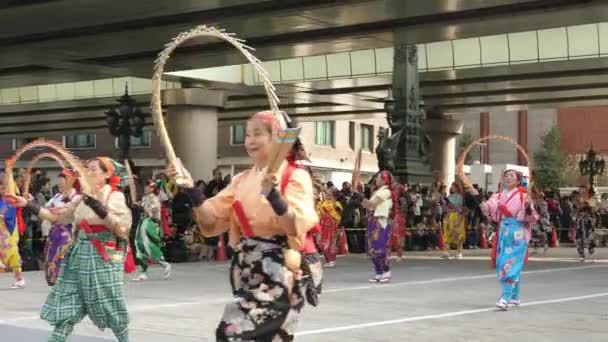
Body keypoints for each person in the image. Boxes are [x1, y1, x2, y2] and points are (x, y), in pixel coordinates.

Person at [171, 110, 319, 341]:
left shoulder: (295, 176)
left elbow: (295, 225)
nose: (249, 140)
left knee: (231, 332)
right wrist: (191, 189)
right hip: (248, 266)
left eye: (257, 134)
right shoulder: (241, 180)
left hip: (280, 270)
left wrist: (275, 198)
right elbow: (211, 219)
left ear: (277, 138)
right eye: (247, 134)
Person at [7, 157, 132, 341]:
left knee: (108, 301)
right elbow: (56, 218)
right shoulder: (81, 199)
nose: (87, 173)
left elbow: (122, 228)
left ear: (107, 174)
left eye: (93, 169)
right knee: (68, 299)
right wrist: (29, 205)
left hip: (102, 256)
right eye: (86, 169)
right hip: (78, 255)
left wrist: (99, 208)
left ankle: (125, 339)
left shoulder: (114, 196)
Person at [481, 170, 537, 310]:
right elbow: (489, 209)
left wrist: (528, 206)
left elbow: (531, 216)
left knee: (510, 263)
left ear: (519, 180)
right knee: (503, 262)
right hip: (504, 231)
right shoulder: (498, 195)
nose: (508, 177)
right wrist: (481, 202)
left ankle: (505, 297)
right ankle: (515, 297)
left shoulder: (523, 195)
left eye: (512, 175)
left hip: (519, 232)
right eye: (506, 175)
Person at [42, 169, 80, 286]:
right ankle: (55, 283)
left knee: (62, 259)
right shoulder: (57, 196)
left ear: (70, 181)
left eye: (61, 181)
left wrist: (57, 211)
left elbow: (67, 212)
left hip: (68, 233)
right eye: (58, 181)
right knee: (51, 258)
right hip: (54, 232)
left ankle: (63, 283)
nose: (59, 183)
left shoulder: (76, 197)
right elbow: (47, 209)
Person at [360, 171, 397, 283]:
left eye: (378, 178)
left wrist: (359, 197)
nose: (376, 179)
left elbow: (371, 204)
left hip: (381, 221)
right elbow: (367, 205)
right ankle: (379, 272)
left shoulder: (386, 191)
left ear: (384, 180)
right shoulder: (378, 192)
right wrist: (358, 197)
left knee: (379, 248)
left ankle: (386, 271)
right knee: (372, 248)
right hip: (373, 220)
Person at [133, 179, 171, 281]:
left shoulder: (154, 199)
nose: (146, 188)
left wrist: (139, 206)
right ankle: (143, 272)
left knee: (148, 245)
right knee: (139, 244)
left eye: (149, 186)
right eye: (146, 186)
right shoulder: (145, 197)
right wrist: (136, 205)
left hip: (150, 224)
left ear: (153, 188)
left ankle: (164, 263)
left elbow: (150, 213)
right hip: (143, 222)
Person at [0, 179, 25, 289]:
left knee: (12, 254)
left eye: (3, 187)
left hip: (8, 231)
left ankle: (19, 279)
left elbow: (5, 214)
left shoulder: (8, 200)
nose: (2, 189)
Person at [440, 181, 468, 259]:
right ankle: (446, 251)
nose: (452, 187)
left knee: (459, 235)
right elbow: (445, 207)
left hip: (458, 216)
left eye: (454, 186)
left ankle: (459, 252)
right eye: (451, 186)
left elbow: (463, 209)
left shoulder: (461, 197)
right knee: (447, 234)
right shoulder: (449, 197)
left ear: (457, 187)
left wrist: (461, 216)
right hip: (449, 217)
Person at [317, 191, 342, 267]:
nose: (328, 196)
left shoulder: (337, 203)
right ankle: (328, 260)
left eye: (330, 194)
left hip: (332, 225)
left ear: (334, 196)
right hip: (323, 224)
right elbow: (320, 212)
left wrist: (334, 204)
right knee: (323, 242)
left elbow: (339, 212)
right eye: (327, 194)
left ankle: (332, 260)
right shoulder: (323, 203)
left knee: (331, 242)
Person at [575, 184, 598, 262]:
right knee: (578, 238)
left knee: (589, 238)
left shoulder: (592, 199)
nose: (581, 192)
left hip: (589, 221)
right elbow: (578, 207)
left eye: (582, 190)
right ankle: (581, 255)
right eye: (580, 190)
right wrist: (581, 205)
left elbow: (593, 207)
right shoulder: (579, 198)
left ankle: (591, 254)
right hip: (580, 220)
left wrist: (584, 204)